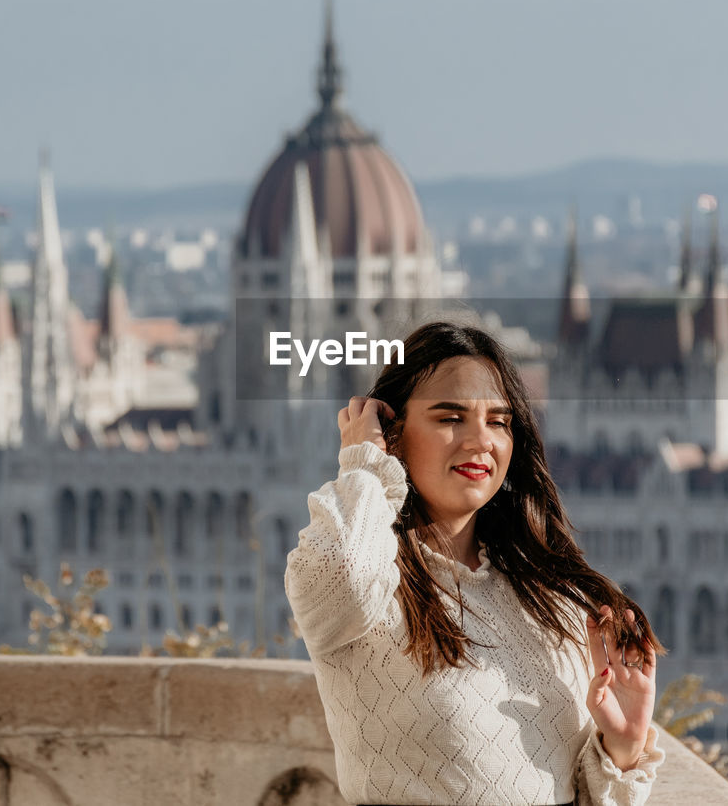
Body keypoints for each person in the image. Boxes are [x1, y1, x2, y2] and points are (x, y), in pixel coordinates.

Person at [285, 321, 665, 805]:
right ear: (393, 432)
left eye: (499, 421)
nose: (479, 440)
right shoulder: (372, 583)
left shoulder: (550, 595)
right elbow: (337, 574)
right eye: (450, 418)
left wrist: (623, 747)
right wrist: (363, 461)